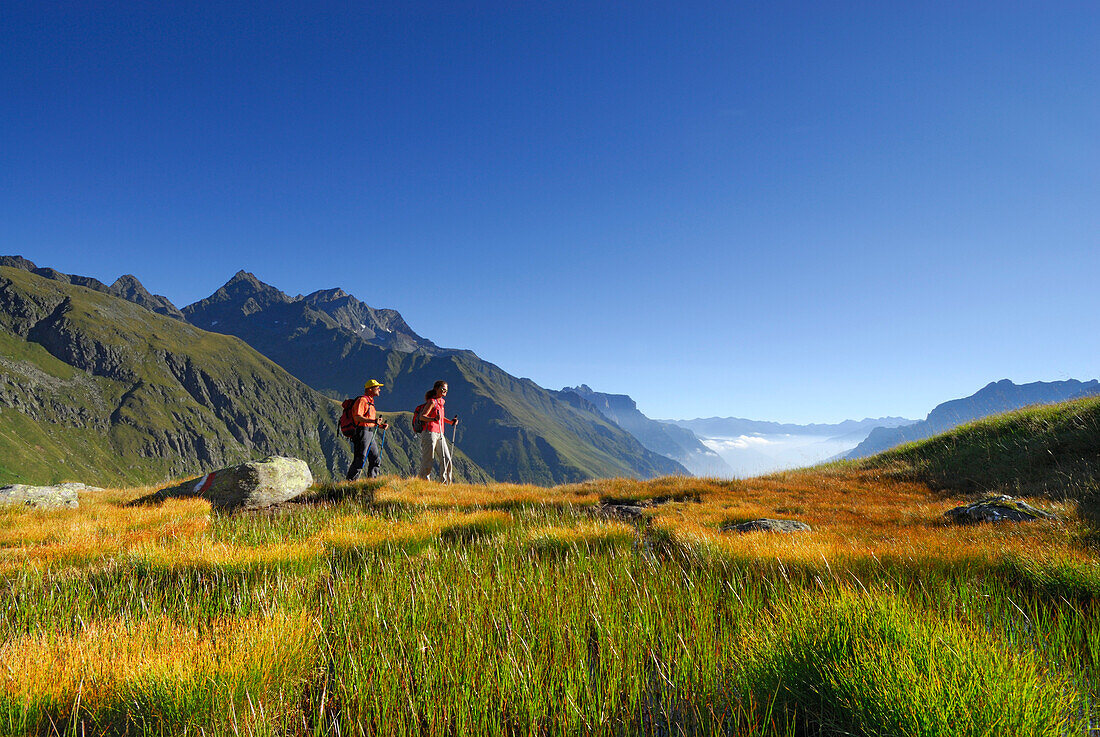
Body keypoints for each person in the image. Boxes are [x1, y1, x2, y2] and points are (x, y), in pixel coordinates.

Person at [346, 379, 389, 480]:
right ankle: (351, 482)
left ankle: (371, 481)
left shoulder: (370, 402)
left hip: (369, 432)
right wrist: (374, 421)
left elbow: (368, 421)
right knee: (360, 458)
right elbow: (357, 417)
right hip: (362, 432)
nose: (379, 389)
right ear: (370, 389)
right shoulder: (362, 400)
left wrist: (380, 425)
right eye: (377, 387)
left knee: (375, 458)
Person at [418, 380, 458, 483]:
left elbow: (440, 417)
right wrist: (433, 419)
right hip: (429, 432)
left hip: (440, 433)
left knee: (447, 458)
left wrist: (450, 422)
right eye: (443, 389)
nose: (445, 391)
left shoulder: (441, 403)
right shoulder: (432, 402)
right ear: (436, 388)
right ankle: (423, 483)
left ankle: (445, 483)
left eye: (446, 390)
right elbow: (422, 417)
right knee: (428, 459)